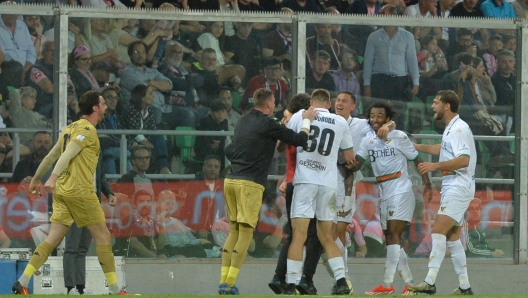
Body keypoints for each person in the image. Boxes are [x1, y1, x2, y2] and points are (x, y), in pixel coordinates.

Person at [12, 91, 127, 295]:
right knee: (103, 237)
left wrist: (37, 178)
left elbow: (50, 156)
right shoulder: (87, 129)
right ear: (94, 108)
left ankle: (22, 281)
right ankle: (115, 290)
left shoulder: (70, 128)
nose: (105, 107)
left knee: (53, 238)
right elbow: (69, 152)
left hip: (63, 192)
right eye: (102, 104)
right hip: (80, 190)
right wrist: (52, 178)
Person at [218, 88, 317, 295]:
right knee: (245, 233)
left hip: (231, 180)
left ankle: (223, 281)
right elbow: (300, 140)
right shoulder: (269, 123)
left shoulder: (243, 120)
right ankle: (230, 283)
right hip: (250, 183)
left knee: (233, 231)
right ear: (270, 104)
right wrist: (306, 120)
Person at [350, 101, 432, 295]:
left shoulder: (399, 136)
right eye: (372, 116)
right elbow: (356, 165)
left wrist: (427, 182)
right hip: (383, 191)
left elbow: (417, 159)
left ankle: (387, 285)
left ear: (388, 118)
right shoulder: (368, 140)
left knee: (394, 236)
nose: (375, 120)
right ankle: (410, 284)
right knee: (390, 238)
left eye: (380, 116)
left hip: (401, 189)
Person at [284, 89, 355, 295]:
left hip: (305, 181)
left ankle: (291, 284)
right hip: (328, 183)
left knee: (299, 235)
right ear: (330, 104)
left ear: (311, 102)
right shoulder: (340, 122)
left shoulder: (300, 116)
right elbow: (349, 156)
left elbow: (288, 139)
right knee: (326, 237)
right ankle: (341, 281)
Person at [409, 90, 477, 295]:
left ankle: (429, 282)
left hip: (459, 185)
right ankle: (465, 287)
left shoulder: (459, 129)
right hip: (453, 185)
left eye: (436, 102)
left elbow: (464, 160)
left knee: (438, 231)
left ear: (447, 106)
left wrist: (434, 166)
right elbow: (444, 147)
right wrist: (418, 146)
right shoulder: (451, 128)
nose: (432, 106)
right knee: (453, 238)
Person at [63, 133, 118, 295]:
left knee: (82, 247)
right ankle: (70, 287)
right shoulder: (73, 156)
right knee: (72, 246)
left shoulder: (97, 156)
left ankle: (80, 287)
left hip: (92, 204)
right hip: (76, 202)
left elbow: (100, 177)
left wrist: (109, 193)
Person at [363, 4, 419, 130]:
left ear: (394, 16)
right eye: (381, 15)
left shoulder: (407, 36)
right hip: (380, 80)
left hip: (400, 80)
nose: (381, 17)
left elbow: (411, 60)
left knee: (399, 115)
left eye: (384, 15)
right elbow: (368, 61)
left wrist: (416, 81)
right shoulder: (374, 36)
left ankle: (398, 143)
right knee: (378, 113)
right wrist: (367, 84)